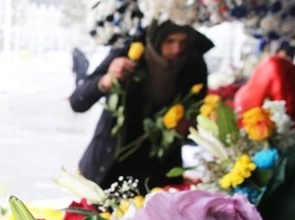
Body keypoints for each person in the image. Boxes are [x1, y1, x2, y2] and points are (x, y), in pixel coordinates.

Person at [70, 22, 213, 189]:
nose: (176, 49)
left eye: (183, 42)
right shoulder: (129, 52)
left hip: (157, 174)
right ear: (156, 39)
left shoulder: (193, 65)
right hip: (108, 166)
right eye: (169, 41)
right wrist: (107, 80)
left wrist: (186, 127)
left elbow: (196, 120)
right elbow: (78, 102)